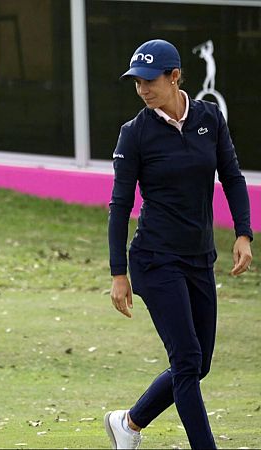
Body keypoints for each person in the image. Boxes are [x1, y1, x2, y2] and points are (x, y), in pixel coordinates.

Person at [105, 39, 253, 449]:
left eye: (150, 81)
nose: (142, 89)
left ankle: (128, 423)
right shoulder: (135, 133)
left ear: (174, 77)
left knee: (198, 363)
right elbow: (120, 206)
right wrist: (119, 273)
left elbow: (233, 176)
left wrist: (243, 233)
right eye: (136, 82)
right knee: (186, 360)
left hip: (199, 258)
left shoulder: (210, 118)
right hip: (154, 261)